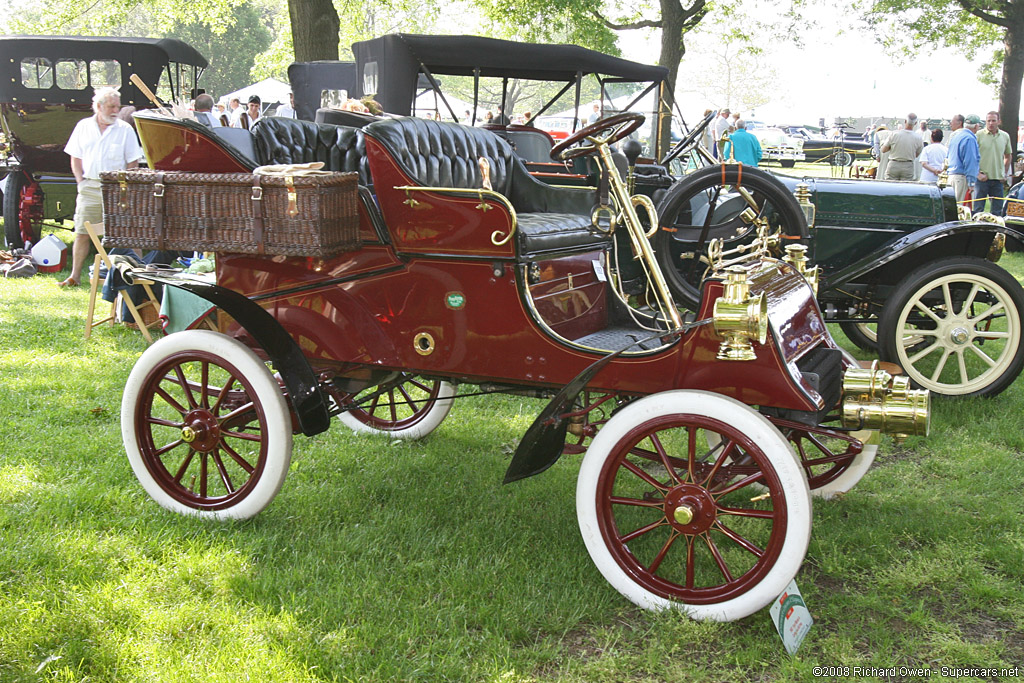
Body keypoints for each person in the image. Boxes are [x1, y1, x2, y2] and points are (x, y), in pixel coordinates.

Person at [59, 87, 143, 287]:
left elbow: (133, 162)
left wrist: (125, 185)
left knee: (127, 232)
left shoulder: (125, 129)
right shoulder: (83, 126)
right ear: (98, 107)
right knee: (82, 232)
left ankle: (138, 274)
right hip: (90, 186)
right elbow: (75, 157)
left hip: (117, 188)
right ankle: (74, 276)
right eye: (111, 106)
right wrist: (80, 181)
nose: (116, 110)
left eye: (117, 106)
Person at [974, 110, 1013, 215]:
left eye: (993, 121)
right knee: (978, 211)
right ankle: (977, 231)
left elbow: (1008, 155)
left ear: (999, 121)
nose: (991, 123)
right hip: (981, 179)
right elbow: (972, 157)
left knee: (998, 212)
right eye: (988, 121)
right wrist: (977, 174)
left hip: (997, 180)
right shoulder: (978, 135)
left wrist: (1004, 172)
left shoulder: (1005, 136)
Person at [945, 114, 981, 206]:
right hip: (962, 178)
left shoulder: (955, 136)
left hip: (951, 176)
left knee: (951, 208)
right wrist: (971, 182)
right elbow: (970, 162)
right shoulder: (970, 139)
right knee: (962, 211)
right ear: (976, 126)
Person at [881, 114, 923, 181]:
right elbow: (916, 154)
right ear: (915, 123)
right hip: (908, 165)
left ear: (905, 121)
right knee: (906, 189)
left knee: (890, 187)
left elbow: (883, 150)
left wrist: (892, 148)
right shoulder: (919, 138)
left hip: (893, 164)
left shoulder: (894, 134)